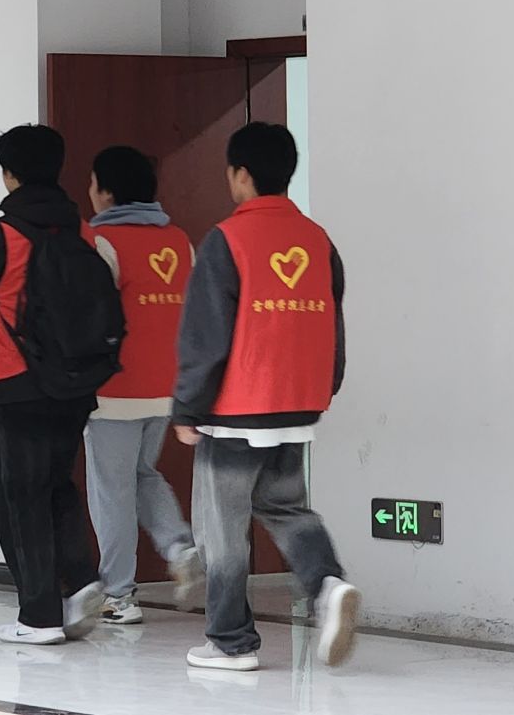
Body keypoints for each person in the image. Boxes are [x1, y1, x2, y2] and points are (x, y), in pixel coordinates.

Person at [173, 122, 360, 672]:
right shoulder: (318, 240)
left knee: (222, 528)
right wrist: (325, 386)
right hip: (296, 405)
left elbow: (205, 335)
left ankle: (230, 641)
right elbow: (334, 323)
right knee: (286, 507)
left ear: (241, 175)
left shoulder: (226, 240)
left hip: (236, 408)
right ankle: (327, 584)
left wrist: (188, 406)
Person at [0, 124, 116, 646]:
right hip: (76, 384)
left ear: (9, 174)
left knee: (20, 496)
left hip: (17, 381)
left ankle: (39, 616)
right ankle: (82, 580)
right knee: (58, 485)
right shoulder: (83, 232)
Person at [80, 145, 203, 625]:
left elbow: (91, 316)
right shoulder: (179, 241)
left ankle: (119, 594)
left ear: (107, 192)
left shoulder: (100, 241)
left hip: (114, 389)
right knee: (142, 474)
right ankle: (178, 546)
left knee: (111, 489)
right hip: (166, 386)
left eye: (94, 184)